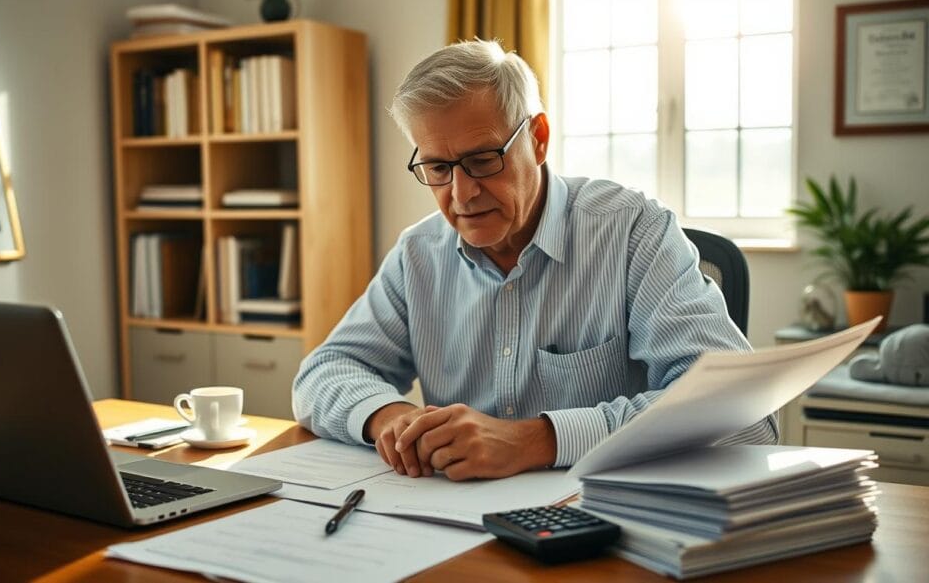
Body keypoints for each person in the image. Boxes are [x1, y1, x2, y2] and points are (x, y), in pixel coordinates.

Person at [293, 39, 777, 481]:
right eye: (438, 168)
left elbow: (744, 416)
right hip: (455, 529)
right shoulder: (419, 254)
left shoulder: (633, 232)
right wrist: (392, 419)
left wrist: (538, 440)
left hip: (604, 523)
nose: (461, 194)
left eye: (484, 159)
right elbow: (323, 373)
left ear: (539, 138)